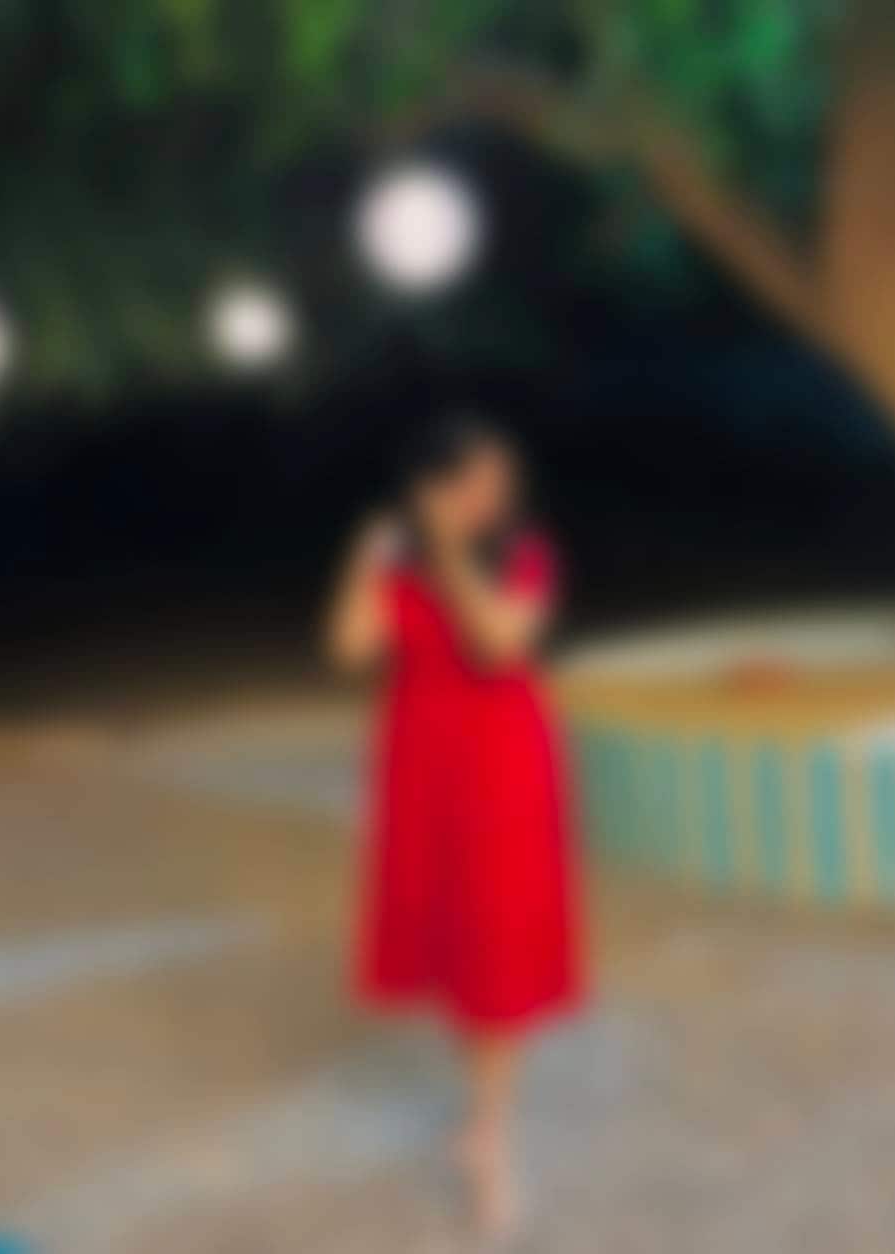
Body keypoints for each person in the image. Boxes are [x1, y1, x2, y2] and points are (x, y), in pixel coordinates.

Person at [324, 414, 583, 1236]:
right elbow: (349, 649)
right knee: (454, 939)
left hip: (504, 763)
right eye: (472, 481)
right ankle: (479, 1115)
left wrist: (447, 554)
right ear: (428, 485)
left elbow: (500, 643)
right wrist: (363, 558)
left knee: (499, 947)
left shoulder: (525, 552)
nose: (490, 496)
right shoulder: (392, 557)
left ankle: (488, 1137)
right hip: (424, 763)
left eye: (499, 481)